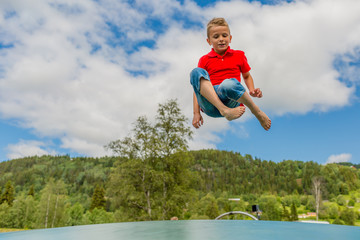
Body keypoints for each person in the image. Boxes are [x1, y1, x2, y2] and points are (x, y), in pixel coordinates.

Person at [190, 17, 271, 131]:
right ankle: (223, 109)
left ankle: (256, 111)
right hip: (210, 104)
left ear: (230, 38)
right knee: (196, 72)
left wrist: (251, 89)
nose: (221, 39)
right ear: (209, 41)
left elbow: (246, 75)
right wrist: (196, 113)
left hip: (231, 100)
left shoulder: (239, 55)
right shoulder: (204, 60)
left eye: (224, 35)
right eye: (216, 36)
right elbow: (197, 88)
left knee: (228, 83)